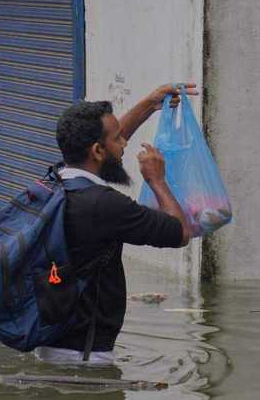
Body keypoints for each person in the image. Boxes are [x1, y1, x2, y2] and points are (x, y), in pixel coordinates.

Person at [33, 83, 197, 365]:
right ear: (97, 150)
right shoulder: (106, 205)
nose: (124, 145)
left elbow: (103, 152)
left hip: (49, 346)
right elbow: (180, 232)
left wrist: (148, 104)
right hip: (87, 360)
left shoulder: (55, 182)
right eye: (118, 139)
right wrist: (157, 180)